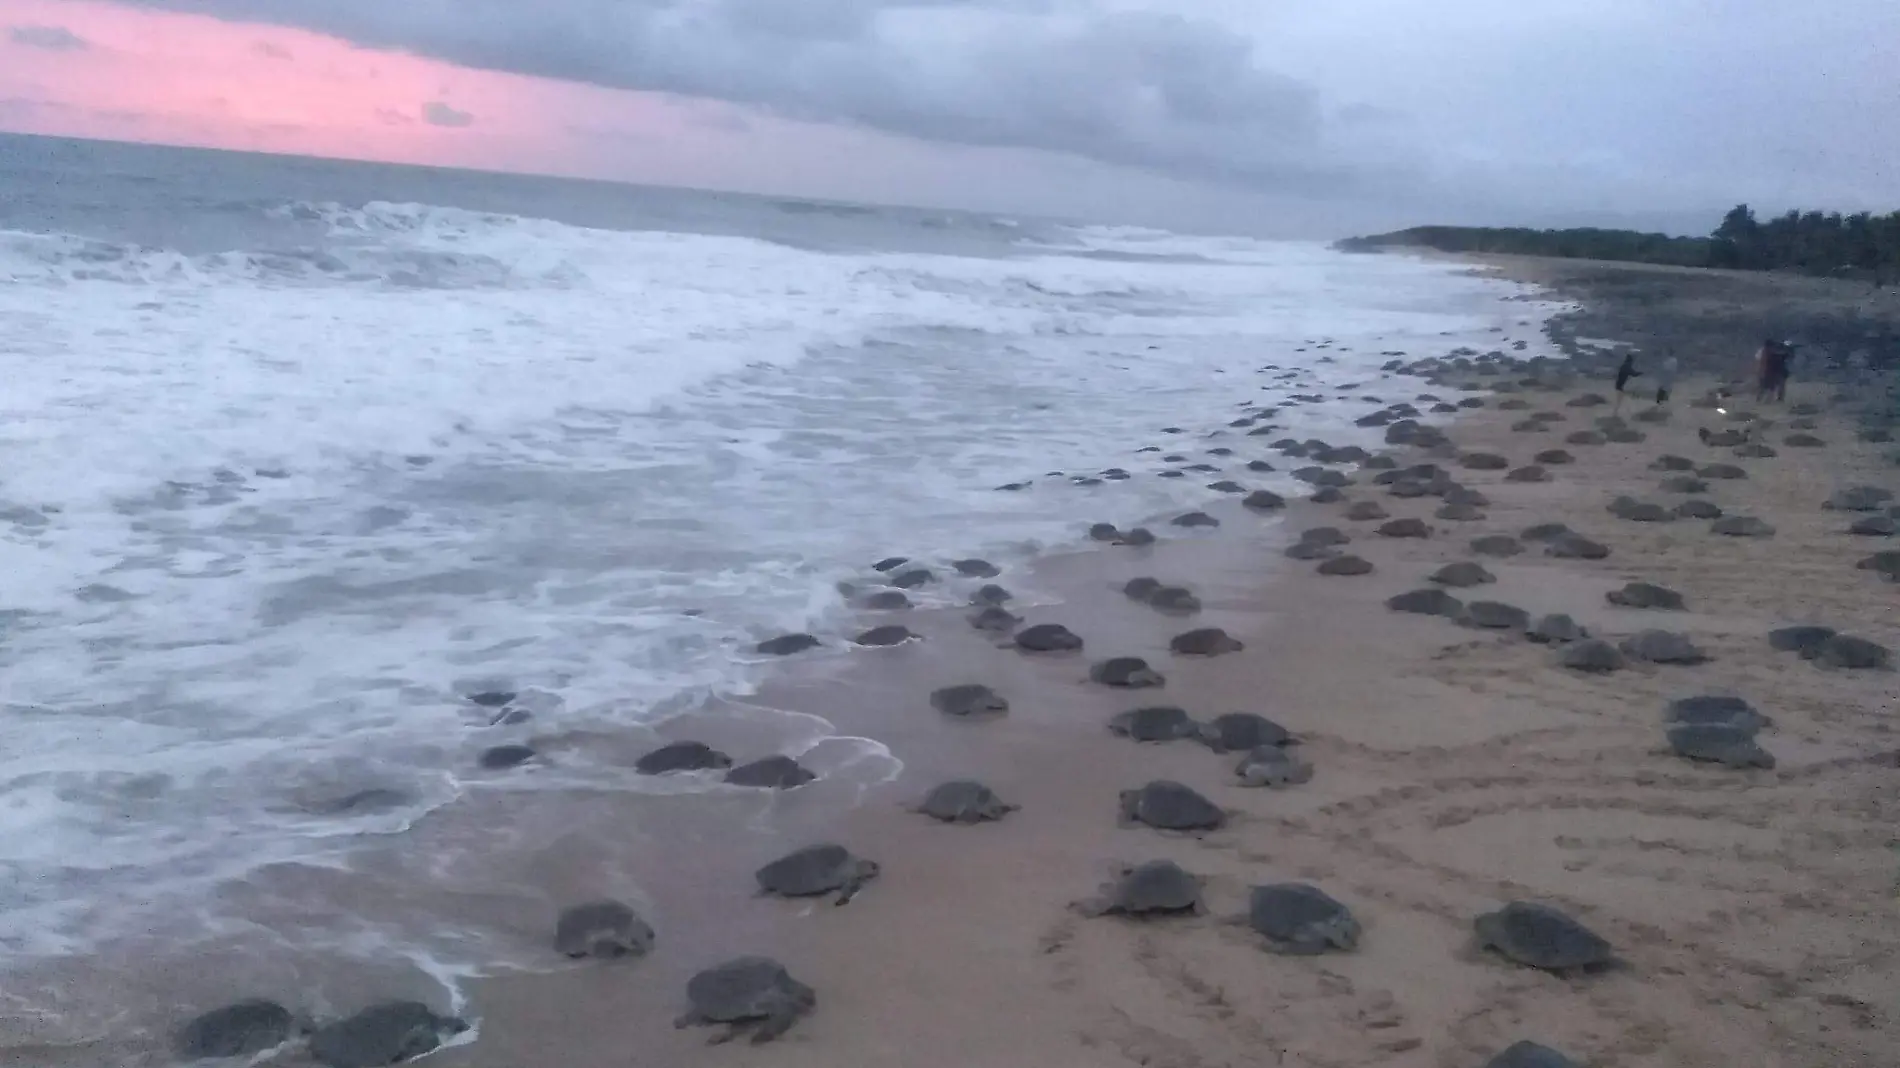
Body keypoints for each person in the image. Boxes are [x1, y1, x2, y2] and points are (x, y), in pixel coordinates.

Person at [1755, 338, 1793, 404]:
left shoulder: (1766, 351)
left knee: (1769, 387)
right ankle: (1764, 400)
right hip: (1771, 371)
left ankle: (1765, 400)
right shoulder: (1766, 352)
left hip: (1773, 371)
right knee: (1768, 387)